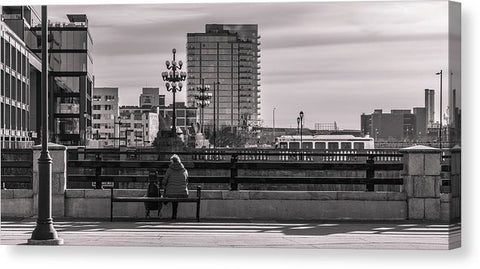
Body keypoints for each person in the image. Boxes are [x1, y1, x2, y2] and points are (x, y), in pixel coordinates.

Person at [163, 154, 189, 219]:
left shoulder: (169, 170)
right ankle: (174, 214)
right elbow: (186, 181)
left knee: (171, 193)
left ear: (172, 161)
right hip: (183, 193)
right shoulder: (184, 170)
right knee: (176, 194)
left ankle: (165, 202)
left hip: (171, 193)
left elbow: (164, 182)